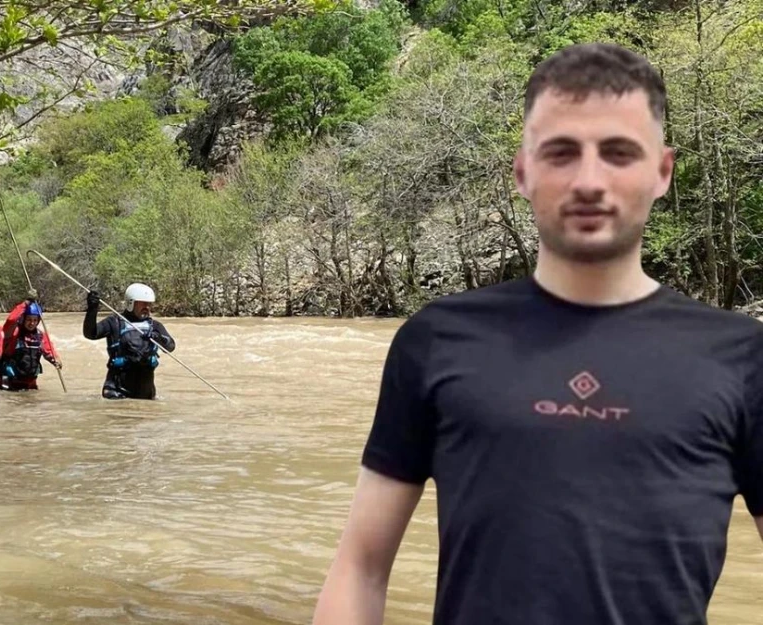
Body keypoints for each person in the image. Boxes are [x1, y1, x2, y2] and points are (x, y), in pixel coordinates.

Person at [312, 43, 763, 625]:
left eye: (619, 153)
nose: (589, 180)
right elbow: (361, 568)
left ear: (662, 172)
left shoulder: (742, 358)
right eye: (561, 153)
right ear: (523, 172)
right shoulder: (436, 340)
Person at [82, 283, 175, 400]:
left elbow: (170, 346)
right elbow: (90, 334)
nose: (147, 307)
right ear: (131, 303)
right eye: (143, 303)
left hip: (145, 393)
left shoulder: (155, 326)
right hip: (116, 391)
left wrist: (158, 338)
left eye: (149, 304)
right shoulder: (114, 322)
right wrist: (92, 309)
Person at [0, 302, 61, 391]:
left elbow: (49, 351)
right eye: (29, 320)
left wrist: (56, 360)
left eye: (35, 320)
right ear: (22, 319)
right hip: (9, 381)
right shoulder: (12, 333)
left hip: (30, 382)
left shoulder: (41, 335)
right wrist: (25, 304)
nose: (32, 323)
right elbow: (11, 320)